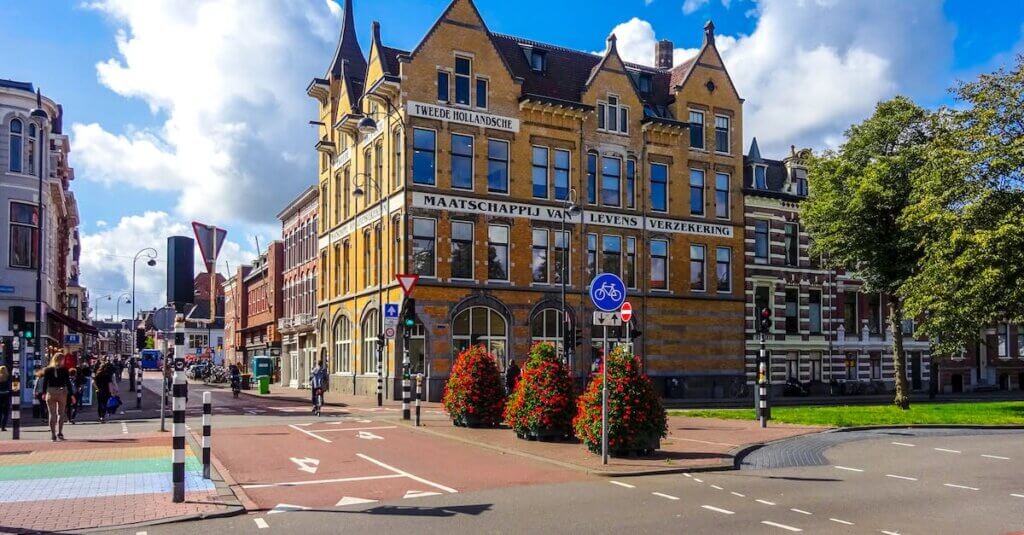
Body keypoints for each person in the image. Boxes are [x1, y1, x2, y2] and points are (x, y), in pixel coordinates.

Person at [41, 354, 73, 441]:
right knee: (61, 413)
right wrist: (72, 394)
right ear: (61, 360)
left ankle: (52, 434)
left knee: (52, 414)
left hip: (50, 392)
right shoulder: (64, 370)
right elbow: (68, 383)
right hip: (62, 392)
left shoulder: (47, 370)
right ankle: (60, 432)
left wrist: (43, 393)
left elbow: (45, 382)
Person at [0, 365, 11, 432]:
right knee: (5, 413)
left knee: (0, 412)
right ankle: (3, 427)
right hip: (6, 397)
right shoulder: (8, 378)